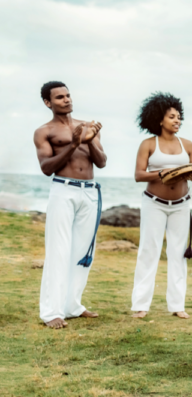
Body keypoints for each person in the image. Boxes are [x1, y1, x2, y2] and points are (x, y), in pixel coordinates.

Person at [33, 81, 107, 329]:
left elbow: (102, 162)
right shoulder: (44, 131)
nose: (66, 100)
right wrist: (74, 144)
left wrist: (91, 140)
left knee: (83, 252)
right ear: (48, 102)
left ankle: (73, 306)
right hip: (63, 190)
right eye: (59, 97)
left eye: (68, 95)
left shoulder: (87, 126)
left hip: (90, 192)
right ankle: (52, 312)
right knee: (59, 251)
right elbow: (46, 168)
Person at [131, 92, 192, 320]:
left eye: (179, 117)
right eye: (172, 117)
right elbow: (139, 175)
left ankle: (177, 305)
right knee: (149, 251)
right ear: (160, 119)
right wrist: (163, 174)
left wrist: (187, 173)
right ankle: (141, 305)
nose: (177, 120)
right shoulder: (148, 144)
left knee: (178, 253)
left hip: (181, 204)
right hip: (154, 204)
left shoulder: (188, 144)